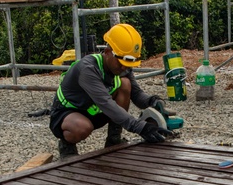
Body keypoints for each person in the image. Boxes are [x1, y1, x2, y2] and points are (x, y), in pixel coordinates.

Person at [50, 23, 172, 159]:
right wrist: (140, 127)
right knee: (82, 127)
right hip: (68, 114)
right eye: (120, 63)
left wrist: (153, 101)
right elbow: (106, 103)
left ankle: (113, 140)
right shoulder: (87, 69)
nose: (123, 68)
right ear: (108, 52)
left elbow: (136, 94)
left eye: (127, 65)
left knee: (125, 84)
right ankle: (67, 146)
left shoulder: (122, 66)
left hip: (94, 111)